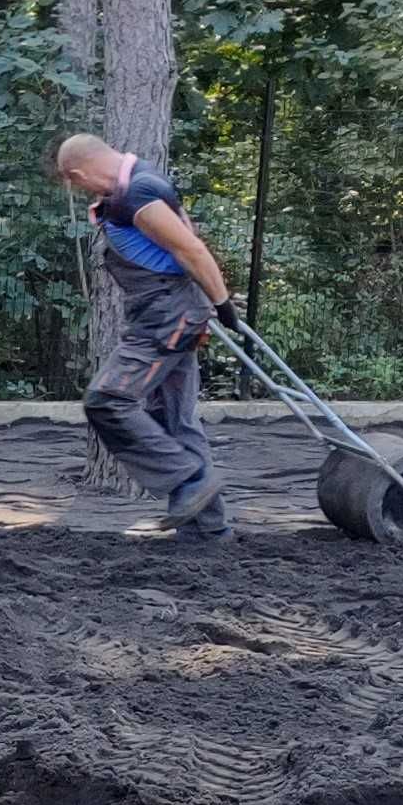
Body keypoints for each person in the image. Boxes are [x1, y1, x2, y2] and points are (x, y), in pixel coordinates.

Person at [53, 132, 242, 539]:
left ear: (80, 172)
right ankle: (208, 532)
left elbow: (190, 249)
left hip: (166, 318)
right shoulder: (135, 185)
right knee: (174, 420)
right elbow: (184, 231)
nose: (79, 190)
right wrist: (205, 309)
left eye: (76, 183)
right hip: (170, 313)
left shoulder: (139, 194)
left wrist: (221, 305)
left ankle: (188, 481)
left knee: (107, 400)